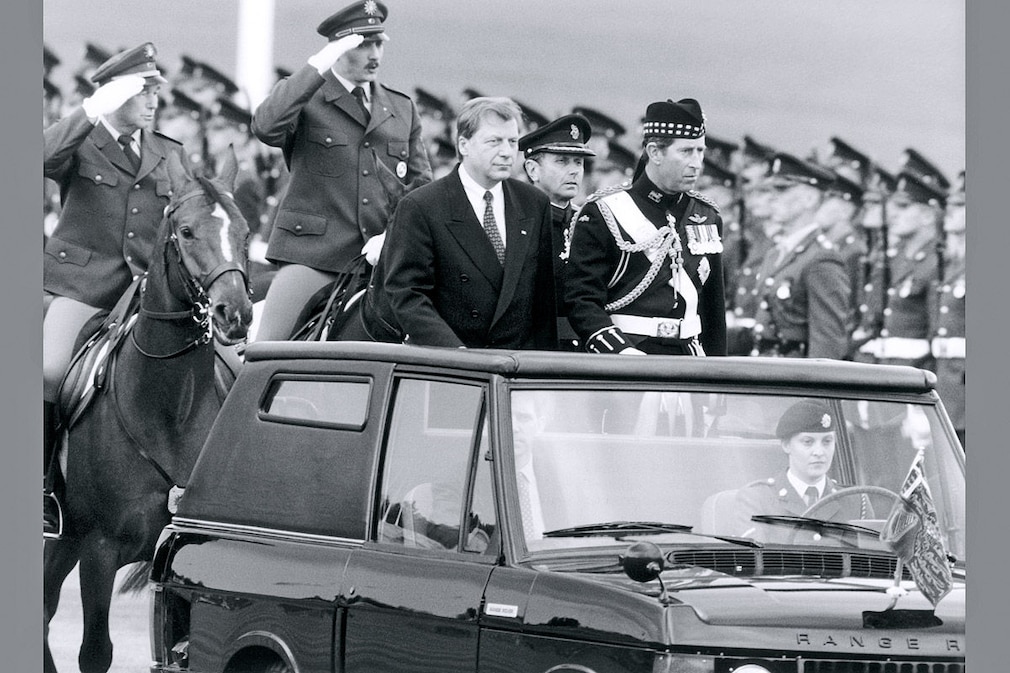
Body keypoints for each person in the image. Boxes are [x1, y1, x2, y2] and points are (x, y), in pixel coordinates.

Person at [43, 43, 185, 538]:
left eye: (154, 92)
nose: (152, 102)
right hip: (83, 286)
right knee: (49, 371)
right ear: (114, 95)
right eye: (142, 91)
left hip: (147, 294)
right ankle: (42, 490)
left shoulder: (168, 152)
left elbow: (191, 214)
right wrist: (90, 109)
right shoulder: (79, 142)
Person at [251, 0, 432, 341]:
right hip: (314, 257)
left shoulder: (400, 107)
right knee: (267, 353)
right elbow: (266, 126)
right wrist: (318, 65)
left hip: (381, 261)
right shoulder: (308, 98)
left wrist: (394, 236)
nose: (374, 53)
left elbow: (421, 188)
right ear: (339, 48)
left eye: (378, 43)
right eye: (363, 44)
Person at [367, 97, 557, 349]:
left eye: (512, 142)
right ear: (464, 145)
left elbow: (543, 301)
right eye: (494, 142)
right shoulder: (422, 206)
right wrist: (454, 353)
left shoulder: (533, 203)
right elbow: (407, 293)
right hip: (451, 369)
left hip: (516, 369)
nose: (506, 152)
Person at [564, 98, 727, 357]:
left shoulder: (706, 215)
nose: (697, 163)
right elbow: (581, 300)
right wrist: (621, 353)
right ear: (655, 152)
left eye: (700, 151)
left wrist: (718, 377)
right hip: (628, 356)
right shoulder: (605, 211)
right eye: (686, 152)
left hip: (691, 360)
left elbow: (713, 311)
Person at [750, 153, 850, 359]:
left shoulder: (821, 259)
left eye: (782, 189)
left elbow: (827, 344)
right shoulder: (776, 253)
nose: (772, 197)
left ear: (809, 199)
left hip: (794, 379)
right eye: (771, 189)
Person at [731, 399, 866, 543]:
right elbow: (754, 561)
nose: (819, 452)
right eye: (808, 442)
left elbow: (872, 562)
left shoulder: (856, 502)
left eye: (827, 441)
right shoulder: (757, 499)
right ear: (786, 445)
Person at [518, 113, 597, 350]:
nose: (574, 171)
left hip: (582, 349)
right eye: (562, 161)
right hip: (531, 349)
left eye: (579, 163)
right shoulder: (519, 223)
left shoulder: (588, 223)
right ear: (533, 170)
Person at [859, 170, 944, 371]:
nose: (893, 214)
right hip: (880, 364)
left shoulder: (936, 261)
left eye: (904, 207)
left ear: (927, 216)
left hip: (915, 370)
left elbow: (936, 332)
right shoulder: (893, 258)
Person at [931, 170, 965, 448]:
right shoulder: (952, 263)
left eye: (960, 205)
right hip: (947, 383)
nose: (949, 211)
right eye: (950, 205)